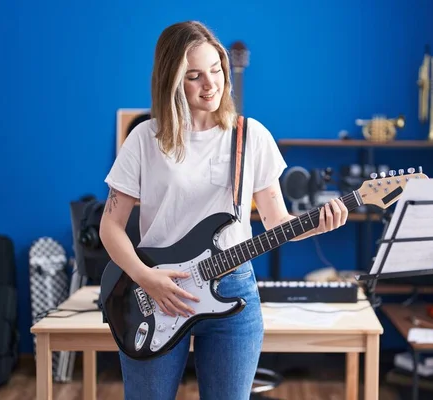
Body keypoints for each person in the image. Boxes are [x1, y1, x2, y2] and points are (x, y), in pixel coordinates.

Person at [99, 20, 349, 400]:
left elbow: (276, 222)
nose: (211, 84)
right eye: (194, 76)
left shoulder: (251, 136)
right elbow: (110, 226)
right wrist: (145, 276)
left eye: (216, 70)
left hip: (233, 289)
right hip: (157, 290)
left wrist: (319, 225)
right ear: (172, 81)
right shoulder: (144, 139)